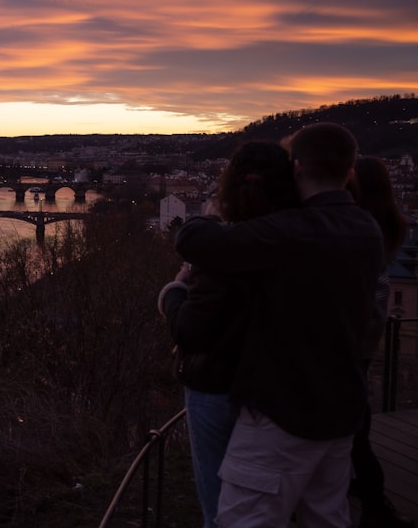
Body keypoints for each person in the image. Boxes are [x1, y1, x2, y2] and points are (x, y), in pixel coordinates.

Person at [174, 122, 384, 528]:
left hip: (284, 412)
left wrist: (215, 213)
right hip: (341, 412)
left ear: (298, 168)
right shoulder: (365, 228)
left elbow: (194, 241)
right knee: (325, 518)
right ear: (350, 170)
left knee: (241, 520)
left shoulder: (292, 232)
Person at [158, 141, 299, 528]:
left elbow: (190, 331)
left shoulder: (221, 249)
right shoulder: (301, 238)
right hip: (279, 386)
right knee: (269, 495)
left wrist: (173, 291)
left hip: (217, 385)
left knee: (220, 497)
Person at [347, 157, 413, 528]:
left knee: (354, 428)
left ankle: (373, 501)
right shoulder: (391, 223)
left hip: (351, 336)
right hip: (368, 336)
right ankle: (366, 494)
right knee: (359, 422)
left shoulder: (358, 226)